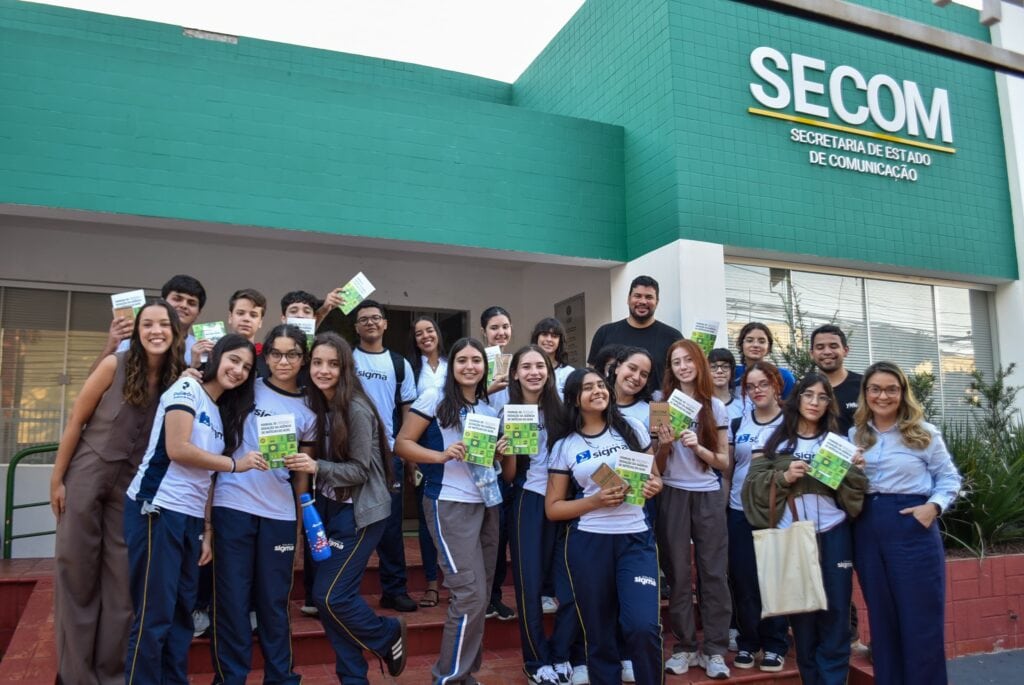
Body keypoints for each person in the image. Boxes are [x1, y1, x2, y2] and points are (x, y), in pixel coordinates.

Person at [50, 301, 183, 685]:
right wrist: (57, 480)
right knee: (77, 578)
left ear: (174, 331)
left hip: (130, 490)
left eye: (163, 324)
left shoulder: (178, 380)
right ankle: (76, 676)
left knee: (122, 584)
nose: (155, 331)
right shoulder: (114, 365)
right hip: (86, 478)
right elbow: (76, 421)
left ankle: (112, 675)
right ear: (137, 331)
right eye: (147, 324)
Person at [123, 334, 267, 685]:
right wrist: (234, 465)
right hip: (157, 508)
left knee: (181, 612)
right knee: (154, 614)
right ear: (216, 357)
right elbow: (178, 448)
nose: (239, 370)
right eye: (233, 360)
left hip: (189, 518)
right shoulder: (187, 389)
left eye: (247, 367)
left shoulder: (219, 411)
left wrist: (206, 530)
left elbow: (205, 478)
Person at [285, 332, 408, 683]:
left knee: (329, 596)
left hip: (360, 513)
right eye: (317, 363)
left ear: (345, 368)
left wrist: (315, 466)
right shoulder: (318, 404)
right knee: (334, 601)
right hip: (328, 508)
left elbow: (359, 471)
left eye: (333, 364)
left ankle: (386, 634)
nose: (323, 370)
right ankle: (354, 678)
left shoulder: (355, 407)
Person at [207, 325, 317, 685]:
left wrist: (299, 521)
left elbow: (302, 475)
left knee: (273, 602)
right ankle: (230, 679)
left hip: (279, 513)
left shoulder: (310, 407)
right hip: (233, 505)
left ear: (303, 358)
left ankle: (281, 678)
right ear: (265, 356)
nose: (284, 361)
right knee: (232, 600)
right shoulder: (244, 388)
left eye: (292, 354)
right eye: (276, 353)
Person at [743, 373, 868, 685]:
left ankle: (833, 681)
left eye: (823, 397)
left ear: (829, 404)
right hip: (792, 534)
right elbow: (751, 489)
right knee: (802, 614)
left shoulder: (838, 443)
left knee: (836, 612)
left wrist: (853, 470)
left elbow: (857, 493)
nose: (815, 402)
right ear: (797, 398)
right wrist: (784, 477)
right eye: (809, 395)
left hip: (834, 532)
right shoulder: (772, 440)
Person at [394, 337, 502, 685]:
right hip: (448, 503)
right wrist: (440, 456)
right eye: (462, 360)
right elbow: (402, 444)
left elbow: (491, 463)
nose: (470, 366)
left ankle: (464, 673)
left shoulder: (488, 409)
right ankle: (448, 678)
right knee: (469, 594)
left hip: (487, 503)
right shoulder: (434, 397)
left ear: (485, 367)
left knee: (480, 596)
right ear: (451, 365)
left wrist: (501, 452)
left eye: (476, 360)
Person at [546, 368, 664, 685]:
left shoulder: (632, 428)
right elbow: (553, 509)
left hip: (635, 539)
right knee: (598, 633)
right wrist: (595, 501)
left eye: (601, 385)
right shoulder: (565, 446)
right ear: (574, 399)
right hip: (589, 544)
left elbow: (656, 478)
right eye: (588, 388)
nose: (598, 390)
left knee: (642, 626)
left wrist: (655, 485)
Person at [851, 361, 961, 685]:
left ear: (902, 393)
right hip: (868, 527)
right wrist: (851, 470)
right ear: (865, 393)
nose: (883, 396)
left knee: (920, 620)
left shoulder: (923, 433)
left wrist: (933, 507)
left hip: (912, 526)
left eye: (891, 389)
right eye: (875, 389)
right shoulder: (855, 435)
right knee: (882, 620)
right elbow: (842, 485)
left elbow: (949, 478)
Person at [654, 340, 732, 679]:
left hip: (708, 494)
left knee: (713, 572)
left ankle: (715, 650)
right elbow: (657, 465)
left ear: (699, 363)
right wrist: (665, 445)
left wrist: (697, 446)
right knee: (678, 574)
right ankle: (684, 646)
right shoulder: (660, 404)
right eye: (676, 362)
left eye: (688, 360)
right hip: (672, 492)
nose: (683, 366)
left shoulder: (715, 406)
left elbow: (723, 462)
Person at [499, 345, 573, 685]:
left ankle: (562, 653)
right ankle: (535, 660)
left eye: (540, 366)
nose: (534, 372)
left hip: (565, 501)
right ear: (515, 373)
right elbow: (510, 476)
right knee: (529, 586)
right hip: (528, 500)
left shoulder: (564, 412)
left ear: (549, 371)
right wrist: (506, 454)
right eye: (526, 367)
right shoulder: (508, 413)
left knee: (569, 583)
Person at [350, 299, 419, 613]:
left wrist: (407, 453)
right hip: (350, 452)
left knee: (390, 526)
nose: (370, 322)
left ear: (385, 324)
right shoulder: (346, 359)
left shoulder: (399, 363)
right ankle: (346, 590)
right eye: (364, 319)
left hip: (389, 452)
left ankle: (394, 590)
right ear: (356, 327)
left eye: (376, 317)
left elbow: (406, 410)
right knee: (348, 523)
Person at [727, 361, 789, 673]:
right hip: (739, 510)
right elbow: (729, 468)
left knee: (774, 579)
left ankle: (775, 644)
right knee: (744, 580)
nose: (757, 391)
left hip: (777, 512)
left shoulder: (792, 422)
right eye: (750, 386)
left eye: (763, 383)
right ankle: (748, 642)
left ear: (777, 384)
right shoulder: (739, 423)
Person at [407, 316, 449, 608]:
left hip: (454, 444)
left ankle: (455, 583)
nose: (425, 336)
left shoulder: (453, 363)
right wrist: (411, 459)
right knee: (427, 520)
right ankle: (432, 584)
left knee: (454, 517)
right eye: (419, 333)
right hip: (423, 444)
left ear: (438, 333)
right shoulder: (411, 370)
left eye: (429, 330)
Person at [480, 306, 517, 621]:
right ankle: (476, 595)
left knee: (500, 531)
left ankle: (494, 596)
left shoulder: (516, 364)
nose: (500, 333)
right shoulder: (476, 362)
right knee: (481, 530)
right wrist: (488, 387)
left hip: (512, 448)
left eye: (505, 327)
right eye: (494, 328)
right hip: (480, 449)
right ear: (484, 332)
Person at [587, 275, 682, 393]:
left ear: (657, 302)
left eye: (649, 297)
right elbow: (592, 375)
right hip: (611, 403)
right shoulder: (605, 333)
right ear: (628, 299)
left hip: (658, 404)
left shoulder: (672, 337)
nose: (642, 301)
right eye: (637, 296)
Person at [94, 274, 205, 370]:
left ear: (198, 313)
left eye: (191, 303)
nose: (183, 305)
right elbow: (95, 380)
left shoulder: (201, 350)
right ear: (162, 302)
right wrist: (111, 346)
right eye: (177, 299)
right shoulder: (132, 341)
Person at [810, 325, 861, 435]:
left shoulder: (864, 386)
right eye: (820, 347)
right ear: (812, 354)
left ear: (845, 351)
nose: (827, 352)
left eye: (833, 346)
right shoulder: (804, 390)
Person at [732, 322, 796, 400]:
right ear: (741, 344)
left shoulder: (783, 376)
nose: (755, 345)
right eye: (749, 340)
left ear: (768, 347)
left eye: (761, 341)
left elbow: (790, 406)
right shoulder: (731, 374)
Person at [608, 347, 653, 429]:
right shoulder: (596, 404)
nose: (636, 377)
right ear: (617, 367)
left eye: (644, 375)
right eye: (632, 368)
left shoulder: (651, 414)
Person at [531, 317, 575, 395]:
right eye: (544, 334)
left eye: (554, 336)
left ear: (560, 341)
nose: (549, 339)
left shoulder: (568, 373)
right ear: (536, 337)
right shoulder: (525, 369)